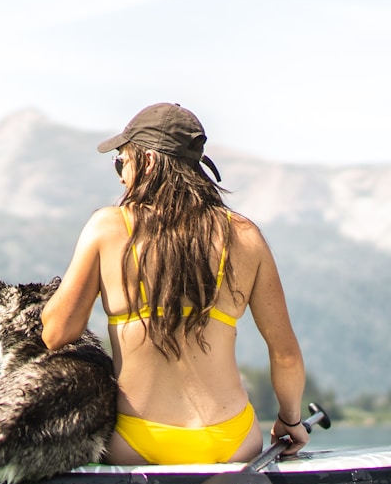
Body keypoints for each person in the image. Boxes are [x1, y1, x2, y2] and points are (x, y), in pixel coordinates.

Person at [41, 103, 308, 465]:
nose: (121, 176)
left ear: (147, 161)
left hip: (136, 441)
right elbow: (286, 355)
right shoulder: (245, 236)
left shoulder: (108, 226)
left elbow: (56, 334)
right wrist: (290, 420)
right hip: (231, 441)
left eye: (122, 161)